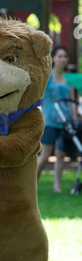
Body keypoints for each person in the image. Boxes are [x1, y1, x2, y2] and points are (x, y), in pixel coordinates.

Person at [37, 45, 78, 192]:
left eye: (65, 57)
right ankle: (32, 182)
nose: (63, 59)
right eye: (60, 56)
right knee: (46, 154)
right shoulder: (47, 77)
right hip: (49, 121)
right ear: (53, 58)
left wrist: (74, 119)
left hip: (66, 122)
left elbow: (72, 100)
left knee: (61, 154)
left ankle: (57, 187)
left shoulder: (69, 79)